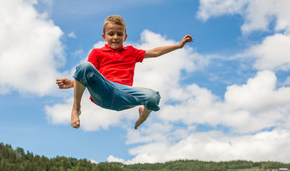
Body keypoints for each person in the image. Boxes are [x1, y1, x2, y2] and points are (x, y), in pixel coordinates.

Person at [56, 15, 193, 130]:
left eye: (119, 34)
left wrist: (179, 46)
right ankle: (76, 108)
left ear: (125, 37)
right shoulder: (97, 53)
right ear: (104, 36)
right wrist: (72, 83)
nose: (115, 37)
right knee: (85, 66)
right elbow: (90, 76)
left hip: (124, 95)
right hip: (103, 92)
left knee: (153, 97)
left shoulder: (131, 52)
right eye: (111, 34)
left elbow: (155, 52)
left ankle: (143, 116)